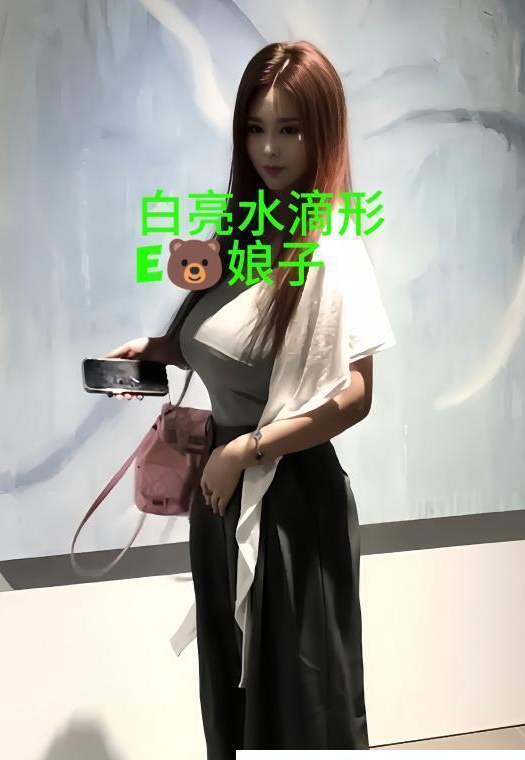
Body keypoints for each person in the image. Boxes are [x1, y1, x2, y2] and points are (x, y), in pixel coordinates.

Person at [107, 41, 396, 755]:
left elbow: (357, 394)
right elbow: (231, 347)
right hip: (222, 501)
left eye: (289, 129)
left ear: (322, 132)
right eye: (256, 128)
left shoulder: (333, 243)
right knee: (232, 702)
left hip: (293, 506)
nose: (269, 148)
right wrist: (160, 350)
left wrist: (247, 449)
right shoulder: (239, 232)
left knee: (303, 709)